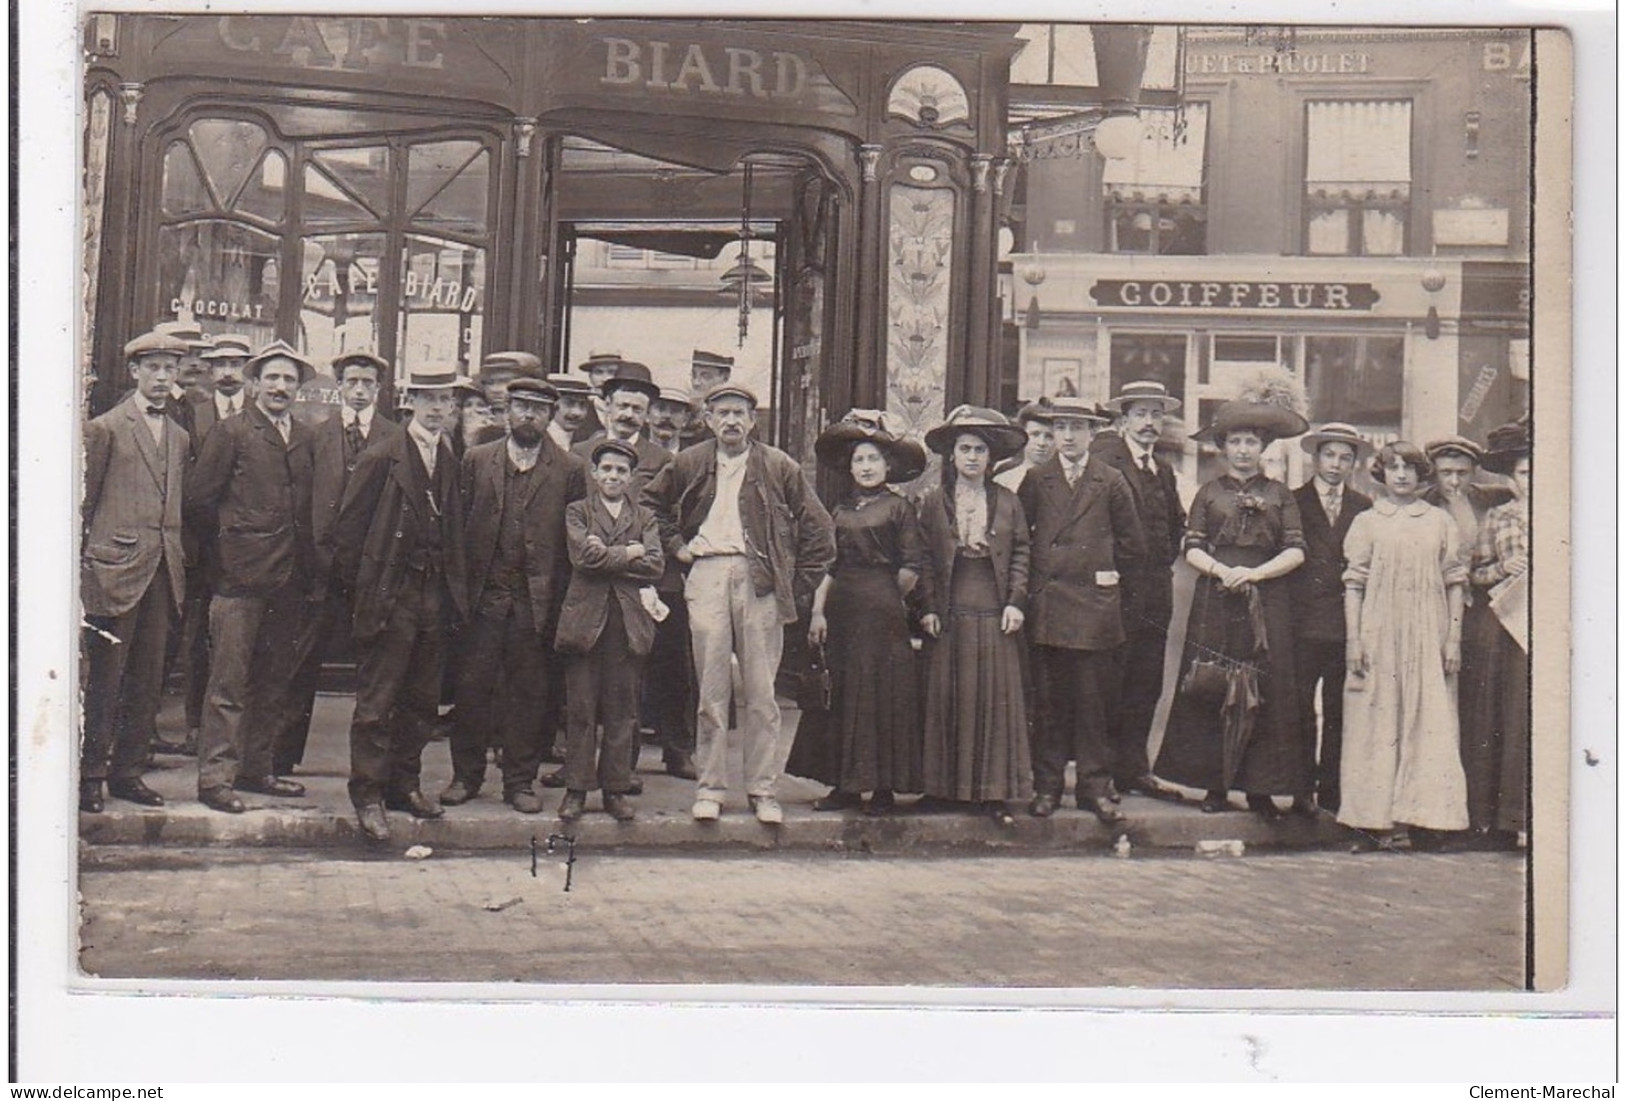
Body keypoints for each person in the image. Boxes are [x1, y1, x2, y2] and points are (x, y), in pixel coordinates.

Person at [641, 383, 835, 824]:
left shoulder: (778, 465)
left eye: (740, 413)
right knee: (711, 692)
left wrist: (796, 586)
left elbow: (819, 530)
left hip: (760, 580)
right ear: (708, 420)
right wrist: (677, 545)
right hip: (707, 573)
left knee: (763, 694)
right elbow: (649, 502)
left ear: (752, 420)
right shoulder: (690, 461)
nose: (731, 421)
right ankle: (710, 789)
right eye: (722, 413)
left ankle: (763, 790)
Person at [332, 368, 473, 842]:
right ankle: (368, 794)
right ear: (409, 400)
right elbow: (348, 534)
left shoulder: (448, 456)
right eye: (428, 398)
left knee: (421, 698)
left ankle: (403, 784)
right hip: (392, 594)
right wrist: (370, 593)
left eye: (445, 400)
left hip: (434, 596)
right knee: (377, 700)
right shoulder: (381, 456)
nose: (437, 408)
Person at [1154, 398, 1310, 820]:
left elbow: (1296, 549)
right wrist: (1223, 571)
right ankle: (1215, 785)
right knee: (1213, 685)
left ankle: (1261, 789)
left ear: (1263, 448)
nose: (1243, 450)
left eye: (1251, 442)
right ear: (1223, 448)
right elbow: (1191, 547)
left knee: (1266, 689)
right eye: (1236, 442)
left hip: (1266, 598)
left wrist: (1256, 575)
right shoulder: (1209, 492)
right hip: (1217, 598)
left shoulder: (1279, 494)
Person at [183, 340, 317, 814]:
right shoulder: (232, 432)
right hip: (238, 581)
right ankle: (216, 778)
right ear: (255, 383)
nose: (281, 387)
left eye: (290, 380)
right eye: (273, 378)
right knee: (229, 682)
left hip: (289, 580)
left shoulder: (304, 435)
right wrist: (226, 560)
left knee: (273, 680)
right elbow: (199, 502)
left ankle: (257, 769)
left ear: (299, 388)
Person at [444, 378, 586, 814]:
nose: (529, 415)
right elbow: (458, 528)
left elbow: (573, 542)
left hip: (536, 603)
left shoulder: (569, 469)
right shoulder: (476, 460)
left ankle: (519, 781)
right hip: (484, 598)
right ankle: (465, 776)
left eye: (539, 409)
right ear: (507, 412)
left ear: (550, 416)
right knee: (472, 689)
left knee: (529, 694)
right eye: (521, 406)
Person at [1017, 397, 1147, 825]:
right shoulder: (1038, 479)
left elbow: (1133, 547)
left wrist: (1106, 584)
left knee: (1094, 703)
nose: (1069, 436)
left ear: (1093, 434)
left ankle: (1094, 787)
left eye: (1077, 428)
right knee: (1050, 702)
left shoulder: (1110, 480)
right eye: (1061, 428)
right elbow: (1023, 539)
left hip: (1095, 607)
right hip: (1051, 606)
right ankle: (1048, 787)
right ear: (1052, 434)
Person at [79, 329, 192, 812]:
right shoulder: (105, 428)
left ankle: (128, 773)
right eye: (154, 368)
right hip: (115, 573)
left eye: (171, 369)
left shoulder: (181, 436)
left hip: (163, 573)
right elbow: (84, 507)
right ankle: (90, 776)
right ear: (135, 373)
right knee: (106, 679)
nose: (163, 378)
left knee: (147, 681)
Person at [1337, 442, 1469, 850]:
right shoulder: (1367, 522)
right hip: (1379, 633)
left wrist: (1453, 638)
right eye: (1392, 467)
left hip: (1427, 633)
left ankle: (1426, 820)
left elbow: (1455, 582)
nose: (1401, 475)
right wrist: (1354, 639)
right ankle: (1371, 823)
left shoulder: (1439, 522)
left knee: (1429, 720)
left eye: (1409, 467)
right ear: (1381, 472)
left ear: (1420, 474)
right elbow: (1354, 584)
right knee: (1375, 721)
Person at [279, 351, 402, 776]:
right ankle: (281, 757)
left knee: (376, 668)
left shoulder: (394, 436)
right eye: (352, 382)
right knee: (301, 662)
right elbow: (304, 499)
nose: (360, 390)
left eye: (368, 383)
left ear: (379, 389)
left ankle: (370, 767)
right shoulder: (317, 435)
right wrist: (313, 557)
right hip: (322, 568)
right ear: (340, 386)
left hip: (371, 571)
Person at [801, 413, 929, 815]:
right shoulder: (839, 510)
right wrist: (818, 612)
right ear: (850, 466)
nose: (867, 467)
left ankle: (883, 789)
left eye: (874, 459)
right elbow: (829, 566)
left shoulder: (900, 508)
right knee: (844, 692)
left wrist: (888, 600)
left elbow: (911, 566)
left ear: (888, 465)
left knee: (881, 694)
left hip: (882, 608)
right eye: (859, 460)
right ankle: (845, 786)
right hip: (842, 609)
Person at [916, 406, 1034, 826]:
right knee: (948, 694)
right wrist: (928, 608)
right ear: (952, 456)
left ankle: (992, 791)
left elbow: (1021, 551)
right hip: (950, 604)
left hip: (992, 599)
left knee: (992, 694)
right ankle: (941, 788)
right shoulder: (934, 502)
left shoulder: (1007, 501)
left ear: (990, 458)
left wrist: (1016, 601)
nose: (971, 457)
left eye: (979, 450)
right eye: (964, 449)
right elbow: (926, 558)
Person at [553, 439, 666, 821]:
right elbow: (583, 558)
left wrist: (611, 554)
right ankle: (576, 790)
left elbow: (654, 565)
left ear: (632, 477)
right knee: (581, 708)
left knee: (622, 709)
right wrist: (629, 552)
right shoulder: (577, 512)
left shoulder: (645, 517)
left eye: (621, 470)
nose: (613, 476)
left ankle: (615, 790)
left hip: (627, 622)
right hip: (585, 620)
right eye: (607, 469)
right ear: (595, 473)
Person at [1088, 379, 1187, 802]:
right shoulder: (1105, 461)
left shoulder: (1161, 469)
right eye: (1141, 414)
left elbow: (1175, 523)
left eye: (1156, 415)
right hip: (1115, 590)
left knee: (1147, 678)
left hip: (1155, 591)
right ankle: (1102, 772)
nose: (1149, 423)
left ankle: (1134, 769)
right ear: (1123, 419)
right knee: (1111, 677)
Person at [158, 333, 253, 757]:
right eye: (221, 364)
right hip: (201, 547)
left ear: (247, 371)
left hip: (246, 549)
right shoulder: (191, 414)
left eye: (237, 364)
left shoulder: (260, 415)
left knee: (238, 641)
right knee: (197, 639)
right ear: (211, 370)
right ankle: (196, 725)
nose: (229, 372)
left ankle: (238, 733)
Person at [1423, 435, 1513, 816]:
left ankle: (1477, 805)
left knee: (1478, 704)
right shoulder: (1424, 503)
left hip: (1481, 613)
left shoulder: (1487, 499)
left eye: (1461, 472)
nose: (1454, 481)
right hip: (1435, 608)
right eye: (1446, 473)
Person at [1288, 422, 1374, 816]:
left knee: (1341, 708)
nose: (1336, 464)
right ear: (1315, 457)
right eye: (1329, 455)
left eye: (1345, 457)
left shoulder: (1364, 507)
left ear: (1354, 463)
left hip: (1347, 625)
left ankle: (1333, 790)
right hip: (1303, 623)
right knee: (1301, 707)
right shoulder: (1293, 501)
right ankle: (1301, 789)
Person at [1463, 421, 1531, 849]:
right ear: (1511, 477)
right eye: (1524, 473)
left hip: (1547, 620)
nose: (1531, 479)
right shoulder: (1498, 517)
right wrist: (1502, 570)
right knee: (1502, 715)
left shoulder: (1569, 513)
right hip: (1506, 623)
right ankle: (1501, 822)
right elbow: (1476, 573)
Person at [991, 399, 1055, 492]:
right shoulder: (1004, 480)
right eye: (1035, 434)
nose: (1041, 443)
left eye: (1049, 436)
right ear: (1023, 436)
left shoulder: (1064, 482)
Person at [573, 350, 627, 443]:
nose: (605, 379)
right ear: (590, 376)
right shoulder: (578, 412)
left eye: (611, 372)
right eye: (598, 372)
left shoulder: (631, 412)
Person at [545, 373, 595, 453]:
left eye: (583, 405)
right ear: (552, 404)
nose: (577, 412)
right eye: (569, 403)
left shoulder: (588, 439)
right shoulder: (540, 439)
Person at [649, 386, 696, 453]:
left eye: (675, 410)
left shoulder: (694, 458)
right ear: (647, 414)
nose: (667, 415)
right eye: (661, 408)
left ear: (685, 419)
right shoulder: (633, 453)